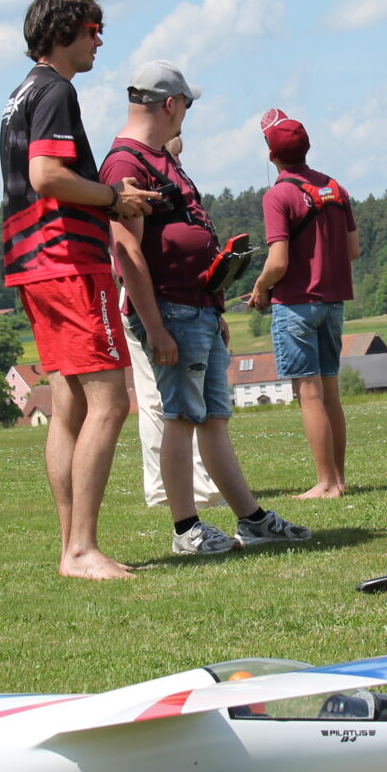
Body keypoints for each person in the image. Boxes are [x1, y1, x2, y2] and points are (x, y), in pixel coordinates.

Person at [102, 62, 311, 556]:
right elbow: (126, 251)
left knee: (213, 417)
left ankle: (252, 519)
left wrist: (213, 308)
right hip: (169, 310)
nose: (186, 117)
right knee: (178, 416)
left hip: (197, 306)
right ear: (171, 104)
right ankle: (186, 530)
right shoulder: (125, 164)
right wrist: (155, 326)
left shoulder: (158, 157)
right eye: (186, 107)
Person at [0, 0, 161, 580]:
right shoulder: (56, 90)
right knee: (111, 402)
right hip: (66, 261)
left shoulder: (21, 93)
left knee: (67, 403)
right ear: (66, 30)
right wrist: (114, 199)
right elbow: (47, 175)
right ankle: (82, 549)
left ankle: (71, 546)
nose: (100, 40)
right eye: (95, 29)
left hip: (35, 264)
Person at [246, 109, 359, 498]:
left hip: (295, 305)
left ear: (271, 156)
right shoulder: (335, 188)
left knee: (307, 393)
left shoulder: (279, 195)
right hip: (333, 303)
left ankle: (326, 483)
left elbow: (278, 261)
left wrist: (261, 287)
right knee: (330, 393)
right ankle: (339, 478)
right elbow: (353, 249)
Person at [129, 133, 222, 511]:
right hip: (158, 305)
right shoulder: (136, 170)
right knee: (164, 404)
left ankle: (177, 488)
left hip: (187, 304)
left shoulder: (168, 172)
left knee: (176, 404)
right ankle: (175, 494)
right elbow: (127, 250)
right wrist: (154, 325)